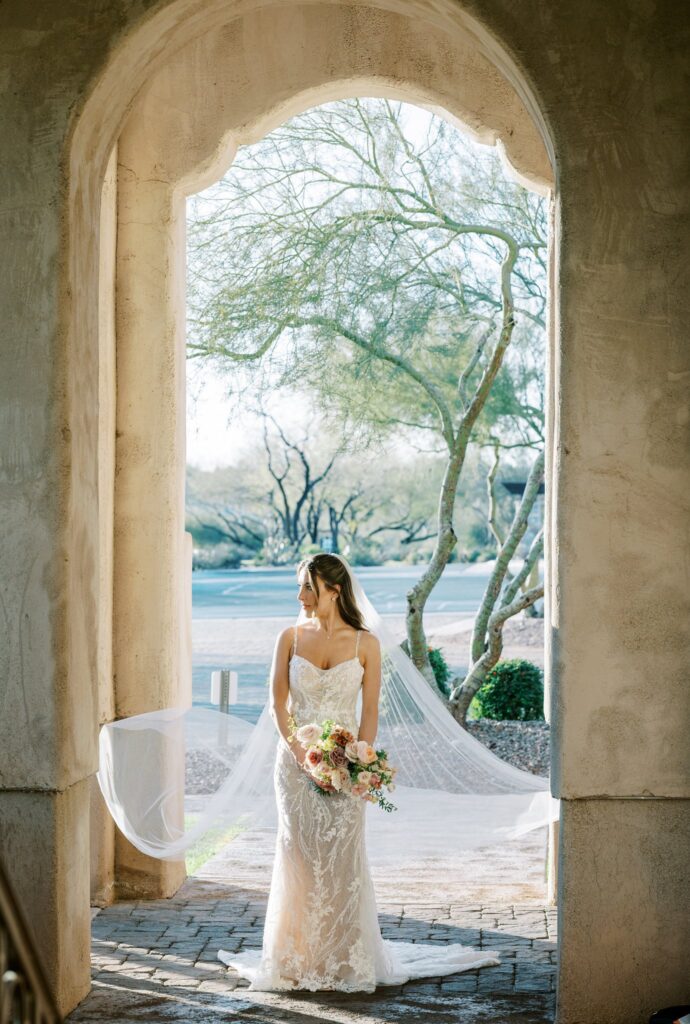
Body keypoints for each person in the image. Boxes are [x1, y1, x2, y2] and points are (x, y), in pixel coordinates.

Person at [217, 552, 502, 991]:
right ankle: (295, 958)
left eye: (308, 588)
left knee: (342, 860)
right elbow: (277, 704)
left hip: (345, 765)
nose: (300, 596)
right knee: (299, 857)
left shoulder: (365, 643)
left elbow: (369, 713)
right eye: (300, 587)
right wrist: (300, 754)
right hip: (294, 767)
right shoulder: (289, 637)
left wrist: (358, 762)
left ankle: (343, 958)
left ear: (334, 590)